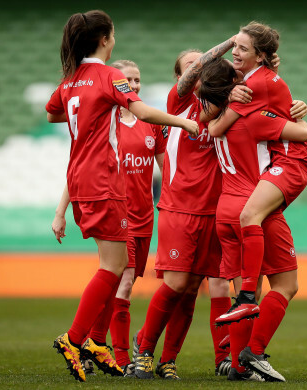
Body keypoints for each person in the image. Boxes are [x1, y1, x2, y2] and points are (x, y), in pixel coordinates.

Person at [46, 10, 198, 382]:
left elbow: (53, 114)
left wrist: (92, 113)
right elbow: (141, 109)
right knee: (114, 268)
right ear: (104, 40)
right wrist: (182, 121)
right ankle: (75, 338)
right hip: (103, 182)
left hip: (80, 180)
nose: (114, 41)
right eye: (112, 36)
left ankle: (96, 341)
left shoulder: (71, 80)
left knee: (115, 268)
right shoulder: (107, 75)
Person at [203, 22, 307, 382]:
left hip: (248, 190)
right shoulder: (253, 87)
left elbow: (213, 125)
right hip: (260, 187)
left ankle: (240, 356)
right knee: (284, 284)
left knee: (249, 282)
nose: (235, 52)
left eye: (242, 48)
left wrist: (240, 90)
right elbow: (301, 130)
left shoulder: (247, 90)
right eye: (234, 47)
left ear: (261, 56)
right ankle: (250, 348)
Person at [51, 59, 167, 377]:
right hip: (115, 208)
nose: (133, 85)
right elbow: (79, 168)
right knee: (123, 281)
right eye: (127, 79)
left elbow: (166, 169)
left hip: (143, 215)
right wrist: (60, 212)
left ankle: (94, 345)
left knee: (118, 279)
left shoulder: (150, 124)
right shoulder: (105, 116)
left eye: (138, 79)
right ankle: (116, 353)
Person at [132, 37, 239, 381]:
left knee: (194, 288)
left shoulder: (222, 106)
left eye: (203, 65)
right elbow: (194, 72)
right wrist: (231, 43)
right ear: (182, 74)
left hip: (215, 211)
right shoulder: (177, 105)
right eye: (192, 65)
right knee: (176, 284)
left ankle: (169, 360)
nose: (200, 68)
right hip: (180, 208)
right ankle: (143, 350)